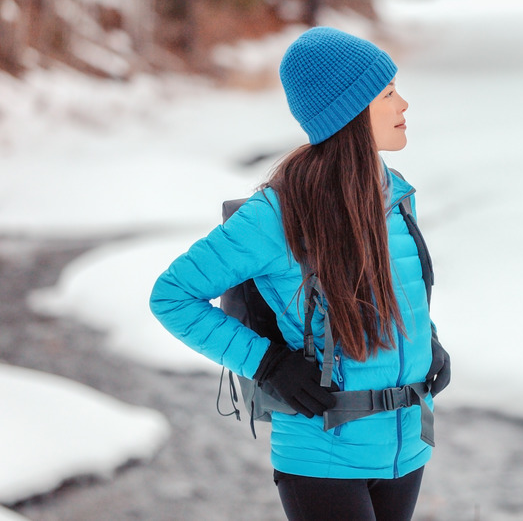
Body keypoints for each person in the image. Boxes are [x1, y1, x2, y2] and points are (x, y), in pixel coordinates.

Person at [149, 26, 450, 521]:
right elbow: (172, 296)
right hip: (322, 456)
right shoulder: (278, 213)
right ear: (349, 111)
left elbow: (394, 290)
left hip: (406, 446)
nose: (404, 106)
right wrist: (270, 366)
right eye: (388, 93)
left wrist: (427, 343)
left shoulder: (395, 194)